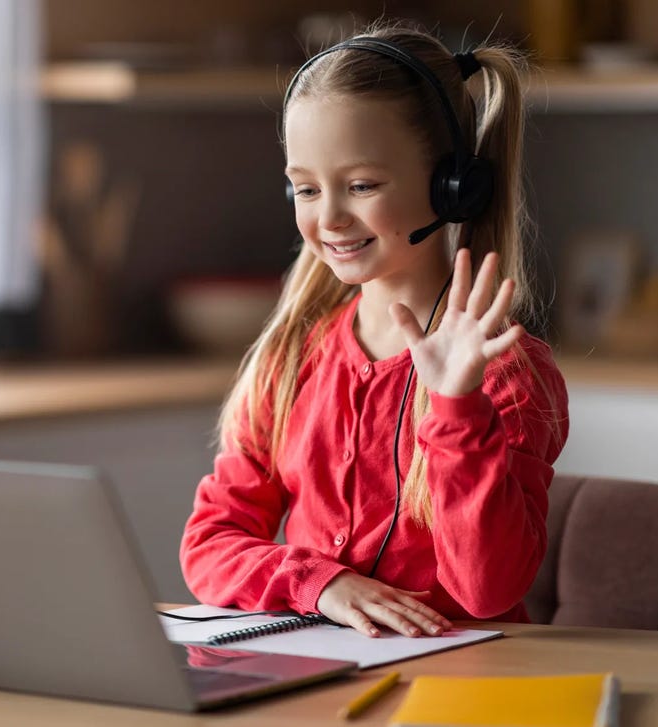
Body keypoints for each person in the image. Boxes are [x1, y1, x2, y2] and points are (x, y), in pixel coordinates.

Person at [179, 23, 569, 639]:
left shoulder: (506, 373)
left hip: (458, 677)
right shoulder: (292, 358)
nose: (328, 217)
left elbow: (489, 591)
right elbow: (211, 543)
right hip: (316, 671)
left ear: (455, 187)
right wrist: (321, 584)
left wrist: (456, 406)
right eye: (305, 188)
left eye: (361, 186)